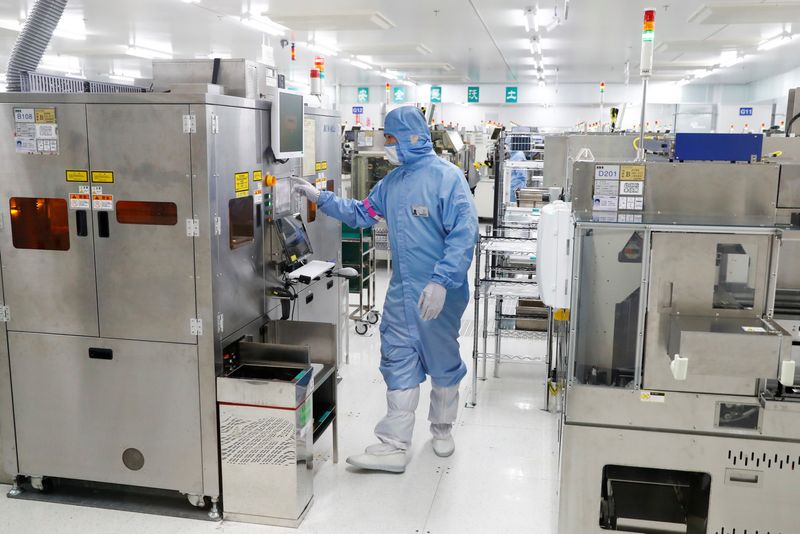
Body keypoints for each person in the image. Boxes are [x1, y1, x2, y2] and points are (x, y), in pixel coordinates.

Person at [292, 106, 478, 473]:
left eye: (390, 139)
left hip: (441, 292)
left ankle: (441, 428)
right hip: (402, 291)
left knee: (441, 360)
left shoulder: (447, 179)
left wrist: (442, 281)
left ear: (412, 138)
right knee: (397, 358)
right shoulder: (392, 183)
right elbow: (362, 213)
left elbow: (464, 234)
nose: (386, 146)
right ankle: (394, 445)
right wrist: (320, 198)